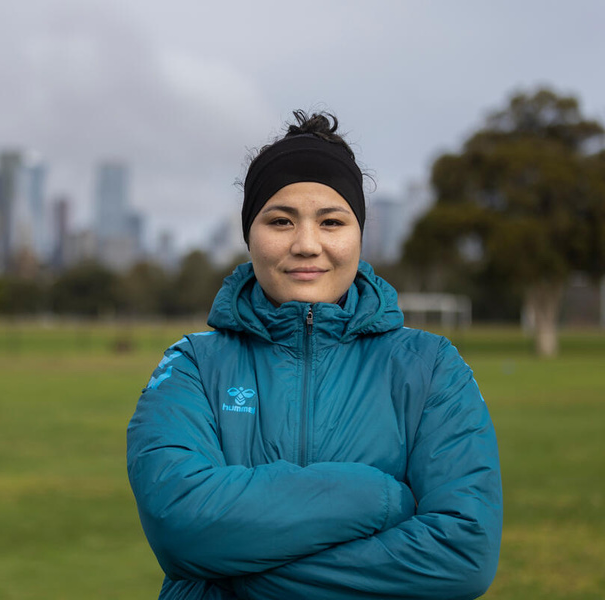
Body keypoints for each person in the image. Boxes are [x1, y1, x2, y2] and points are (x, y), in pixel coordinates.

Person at [127, 110, 502, 600]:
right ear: (250, 235)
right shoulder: (193, 366)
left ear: (359, 235)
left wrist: (233, 571)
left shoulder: (430, 368)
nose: (307, 245)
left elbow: (462, 555)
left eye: (331, 221)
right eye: (280, 220)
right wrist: (384, 498)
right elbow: (180, 527)